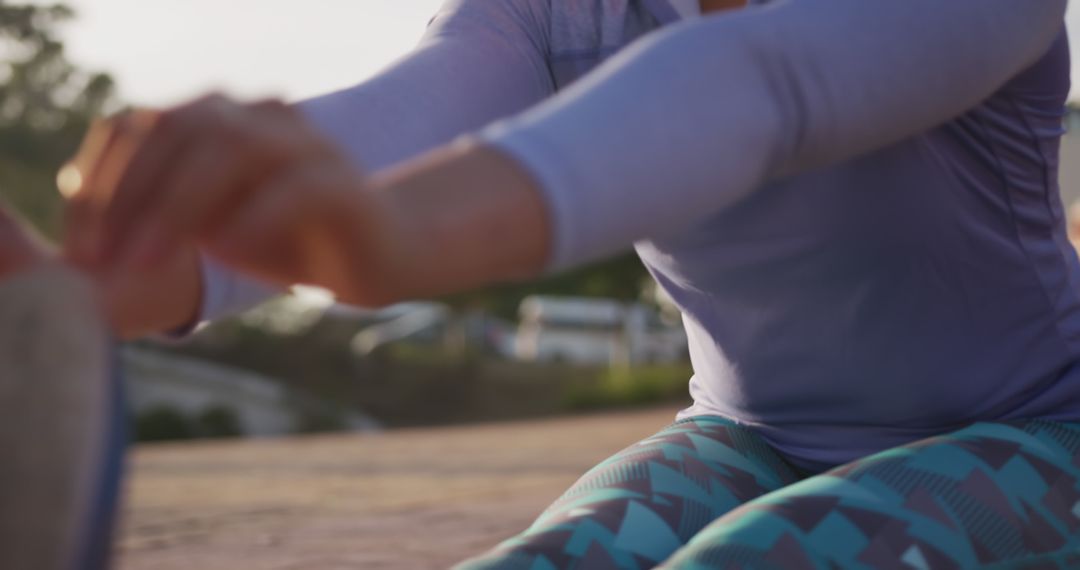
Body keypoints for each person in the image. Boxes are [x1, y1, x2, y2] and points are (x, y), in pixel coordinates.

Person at [4, 0, 1079, 566]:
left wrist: (383, 236)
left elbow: (754, 87)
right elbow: (393, 121)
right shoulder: (555, 6)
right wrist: (76, 295)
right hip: (751, 435)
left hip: (1040, 434)